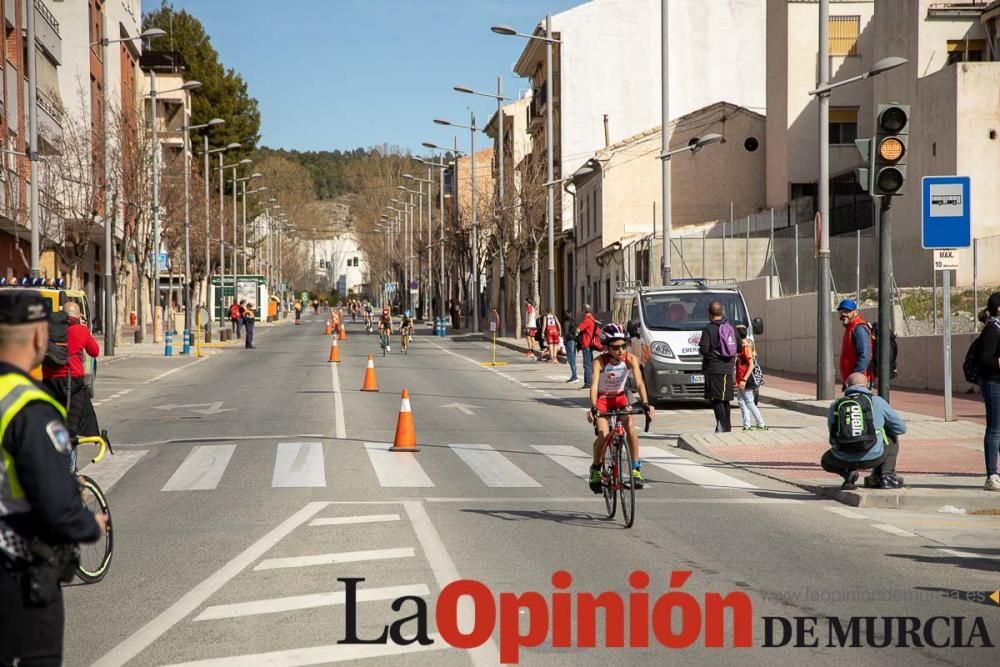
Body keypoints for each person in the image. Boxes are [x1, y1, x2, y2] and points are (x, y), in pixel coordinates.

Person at [0, 291, 106, 665]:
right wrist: (87, 524)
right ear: (37, 338)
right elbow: (56, 505)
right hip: (16, 569)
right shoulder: (27, 407)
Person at [587, 323, 654, 492]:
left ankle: (636, 469)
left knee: (630, 427)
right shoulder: (599, 362)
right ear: (607, 347)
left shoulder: (630, 359)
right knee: (603, 434)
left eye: (623, 345)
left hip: (619, 397)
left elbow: (639, 382)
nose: (621, 350)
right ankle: (595, 469)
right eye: (616, 347)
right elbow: (594, 386)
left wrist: (646, 403)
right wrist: (593, 407)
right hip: (602, 399)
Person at [822, 372, 906, 490]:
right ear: (868, 386)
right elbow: (901, 428)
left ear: (846, 386)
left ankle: (848, 474)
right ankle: (887, 476)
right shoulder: (877, 401)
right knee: (891, 435)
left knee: (826, 461)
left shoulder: (835, 405)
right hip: (873, 457)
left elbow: (832, 434)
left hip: (843, 458)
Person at [40, 302, 101, 443]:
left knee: (50, 423)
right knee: (72, 428)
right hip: (73, 382)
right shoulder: (80, 330)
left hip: (49, 382)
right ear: (78, 316)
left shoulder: (47, 330)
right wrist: (84, 329)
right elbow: (95, 351)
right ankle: (69, 462)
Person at [699, 301, 737, 433]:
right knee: (725, 400)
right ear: (722, 313)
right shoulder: (730, 327)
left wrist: (712, 356)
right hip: (728, 369)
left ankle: (722, 428)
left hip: (714, 370)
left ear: (709, 314)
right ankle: (727, 428)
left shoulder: (709, 329)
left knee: (716, 400)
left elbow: (704, 349)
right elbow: (738, 346)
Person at [976, 293, 1000, 491]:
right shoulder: (992, 330)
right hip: (994, 384)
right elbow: (985, 359)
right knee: (994, 429)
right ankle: (991, 475)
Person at [734, 324, 766, 431]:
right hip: (741, 379)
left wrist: (744, 380)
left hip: (746, 379)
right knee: (741, 402)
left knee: (749, 402)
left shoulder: (746, 346)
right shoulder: (740, 346)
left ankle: (761, 424)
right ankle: (747, 425)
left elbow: (751, 365)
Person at [837, 299, 873, 389]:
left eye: (847, 311)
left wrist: (854, 378)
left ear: (855, 312)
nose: (843, 314)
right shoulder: (850, 328)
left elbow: (865, 355)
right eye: (841, 311)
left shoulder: (859, 328)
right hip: (853, 382)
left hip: (859, 382)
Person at [577, 304, 599, 389]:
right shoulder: (592, 319)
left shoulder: (587, 320)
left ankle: (588, 383)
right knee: (590, 363)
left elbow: (578, 329)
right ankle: (592, 382)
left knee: (587, 364)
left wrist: (576, 336)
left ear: (584, 311)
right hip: (590, 344)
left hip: (586, 344)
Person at [563, 309, 578, 382]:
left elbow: (566, 332)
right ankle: (574, 375)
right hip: (574, 341)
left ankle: (574, 375)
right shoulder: (574, 321)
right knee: (573, 359)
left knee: (570, 359)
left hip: (569, 341)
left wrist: (564, 340)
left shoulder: (566, 322)